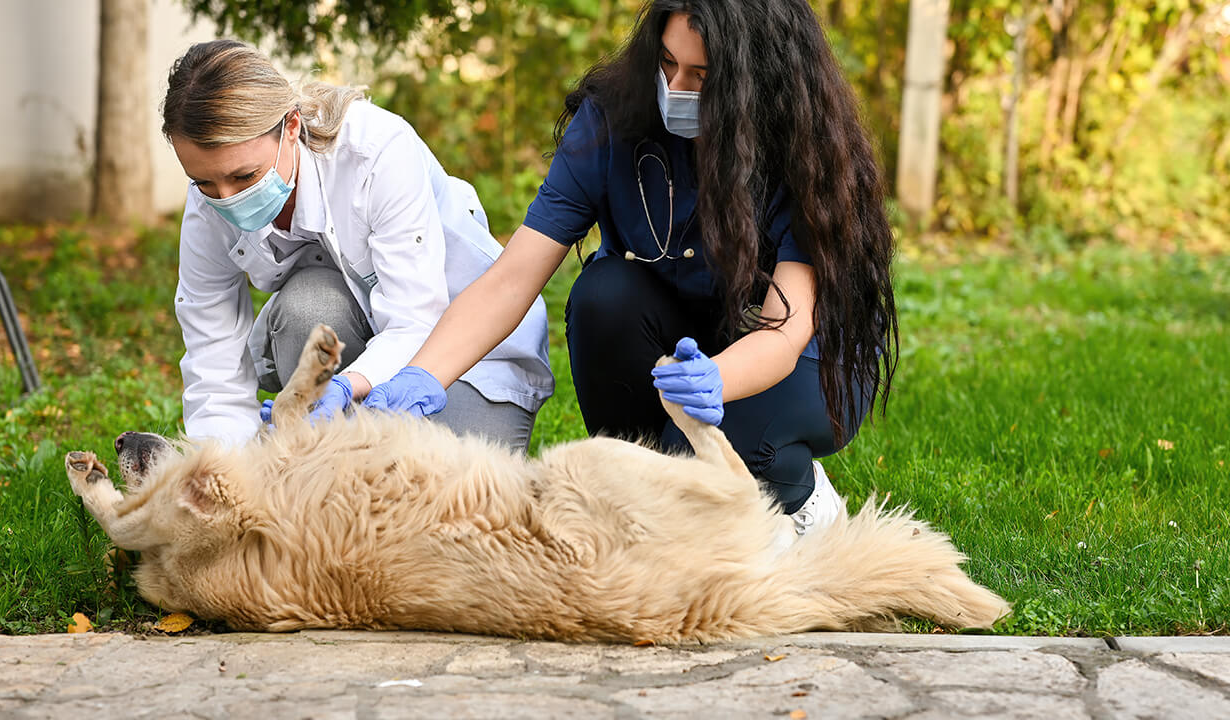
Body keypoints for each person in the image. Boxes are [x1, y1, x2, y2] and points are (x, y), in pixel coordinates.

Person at [369, 0, 900, 535]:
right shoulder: (610, 122)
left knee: (693, 459)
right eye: (667, 63)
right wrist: (422, 374)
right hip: (686, 327)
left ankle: (802, 500)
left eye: (701, 76)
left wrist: (716, 377)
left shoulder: (802, 147)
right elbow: (510, 281)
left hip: (803, 352)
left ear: (754, 79)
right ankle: (649, 491)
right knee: (604, 298)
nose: (676, 88)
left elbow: (784, 333)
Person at [161, 40, 554, 452]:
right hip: (359, 333)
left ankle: (335, 446)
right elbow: (213, 350)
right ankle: (319, 455)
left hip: (466, 355)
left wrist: (348, 387)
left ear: (290, 127)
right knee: (308, 306)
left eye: (245, 176)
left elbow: (414, 319)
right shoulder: (210, 198)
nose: (227, 198)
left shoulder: (376, 151)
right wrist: (219, 467)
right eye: (205, 182)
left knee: (446, 482)